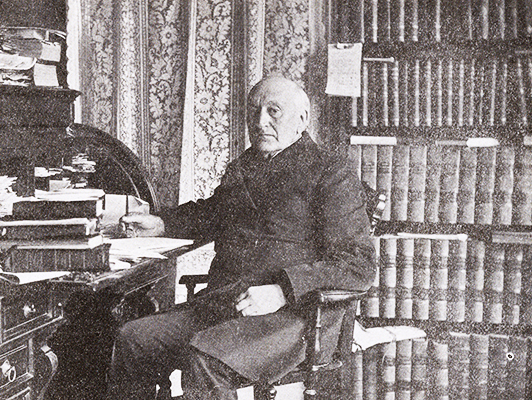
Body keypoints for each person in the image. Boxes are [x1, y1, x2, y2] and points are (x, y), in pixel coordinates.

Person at [108, 76, 378, 400]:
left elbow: (357, 265)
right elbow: (212, 213)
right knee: (134, 338)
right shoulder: (245, 166)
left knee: (205, 357)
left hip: (295, 317)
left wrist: (283, 290)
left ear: (302, 119)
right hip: (225, 304)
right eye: (254, 111)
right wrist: (162, 223)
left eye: (273, 111)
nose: (260, 122)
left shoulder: (330, 172)